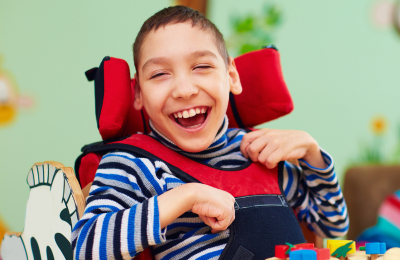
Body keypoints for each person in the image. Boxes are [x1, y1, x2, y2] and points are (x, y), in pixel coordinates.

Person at [72, 6, 349, 260]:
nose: (184, 90)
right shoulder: (133, 163)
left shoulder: (263, 152)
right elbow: (84, 247)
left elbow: (334, 225)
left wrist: (313, 154)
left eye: (202, 67)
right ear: (138, 93)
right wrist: (185, 197)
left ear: (232, 76)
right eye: (159, 74)